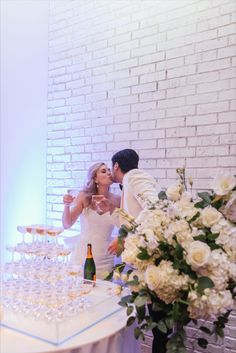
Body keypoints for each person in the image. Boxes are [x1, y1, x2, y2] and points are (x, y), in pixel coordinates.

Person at [106, 149, 170, 353]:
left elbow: (155, 206)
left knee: (160, 323)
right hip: (141, 260)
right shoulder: (129, 184)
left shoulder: (134, 176)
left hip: (152, 260)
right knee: (155, 320)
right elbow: (136, 215)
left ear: (116, 166)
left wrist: (123, 235)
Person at [62, 162, 120, 279]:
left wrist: (120, 238)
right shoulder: (84, 196)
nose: (109, 173)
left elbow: (126, 225)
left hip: (106, 257)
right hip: (83, 255)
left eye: (109, 170)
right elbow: (67, 224)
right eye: (103, 171)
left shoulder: (118, 199)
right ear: (95, 179)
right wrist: (67, 206)